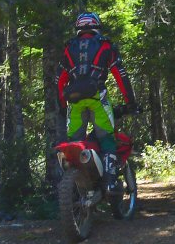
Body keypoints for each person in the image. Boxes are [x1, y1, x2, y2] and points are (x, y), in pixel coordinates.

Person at [57, 11, 137, 195]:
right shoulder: (105, 45)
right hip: (97, 99)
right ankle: (109, 183)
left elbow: (59, 81)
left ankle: (77, 188)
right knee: (107, 139)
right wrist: (130, 102)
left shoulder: (69, 48)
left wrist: (62, 106)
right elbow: (120, 76)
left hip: (74, 103)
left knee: (74, 144)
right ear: (96, 25)